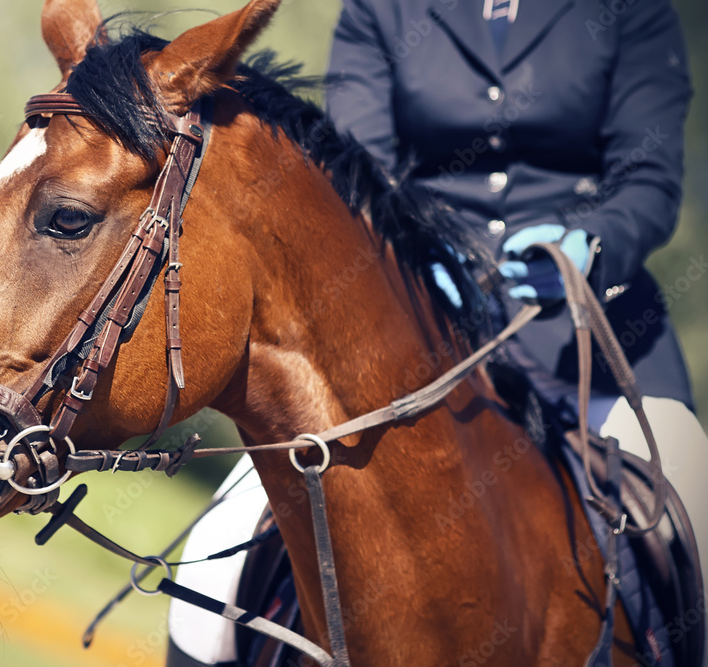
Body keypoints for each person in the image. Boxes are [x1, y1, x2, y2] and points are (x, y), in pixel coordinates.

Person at [168, 0, 708, 664]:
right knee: (211, 561)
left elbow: (650, 176)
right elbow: (357, 167)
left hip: (591, 343)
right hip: (420, 333)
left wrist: (590, 247)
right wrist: (420, 264)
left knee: (700, 521)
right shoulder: (382, 10)